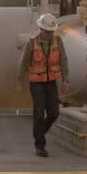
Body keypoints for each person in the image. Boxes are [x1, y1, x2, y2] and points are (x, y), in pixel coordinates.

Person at [16, 13, 68, 157]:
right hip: (36, 84)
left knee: (54, 113)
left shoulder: (58, 41)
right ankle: (40, 146)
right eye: (47, 31)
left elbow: (63, 59)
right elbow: (23, 63)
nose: (50, 34)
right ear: (41, 29)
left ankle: (39, 133)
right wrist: (19, 81)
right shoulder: (31, 43)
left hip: (51, 83)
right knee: (39, 113)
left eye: (51, 31)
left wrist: (65, 79)